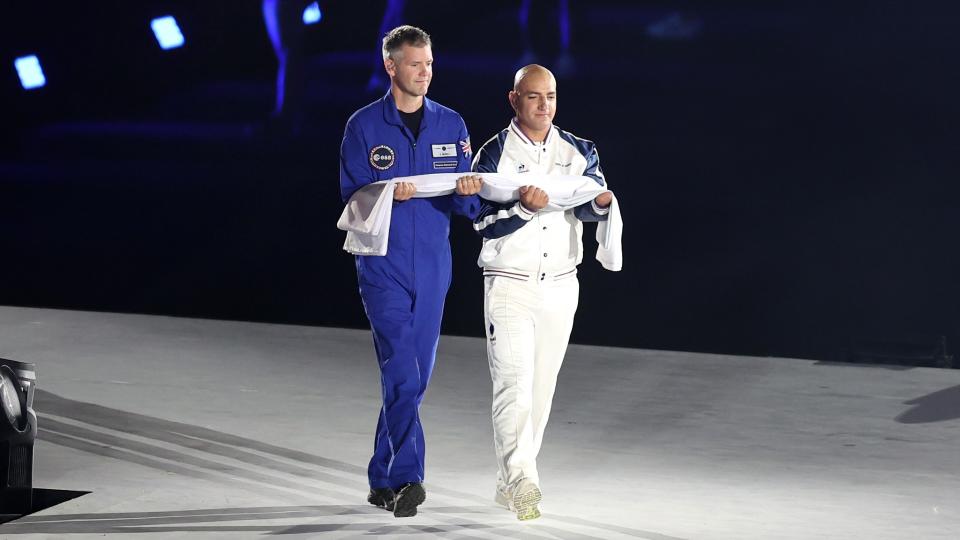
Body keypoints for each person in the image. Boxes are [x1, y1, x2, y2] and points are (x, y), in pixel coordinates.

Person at [339, 25, 483, 518]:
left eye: (429, 64)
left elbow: (470, 208)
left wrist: (469, 194)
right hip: (382, 265)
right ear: (391, 66)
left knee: (414, 379)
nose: (426, 72)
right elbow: (352, 196)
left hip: (434, 267)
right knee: (401, 370)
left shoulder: (451, 124)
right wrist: (384, 193)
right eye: (417, 64)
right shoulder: (364, 126)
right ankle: (407, 478)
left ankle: (381, 477)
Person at [470, 64, 612, 520]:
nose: (544, 105)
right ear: (514, 99)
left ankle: (507, 481)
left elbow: (588, 203)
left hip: (561, 285)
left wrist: (602, 204)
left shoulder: (579, 150)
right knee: (513, 386)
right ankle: (523, 481)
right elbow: (480, 222)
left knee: (541, 390)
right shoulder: (493, 153)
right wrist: (522, 210)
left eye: (550, 96)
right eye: (533, 97)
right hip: (509, 283)